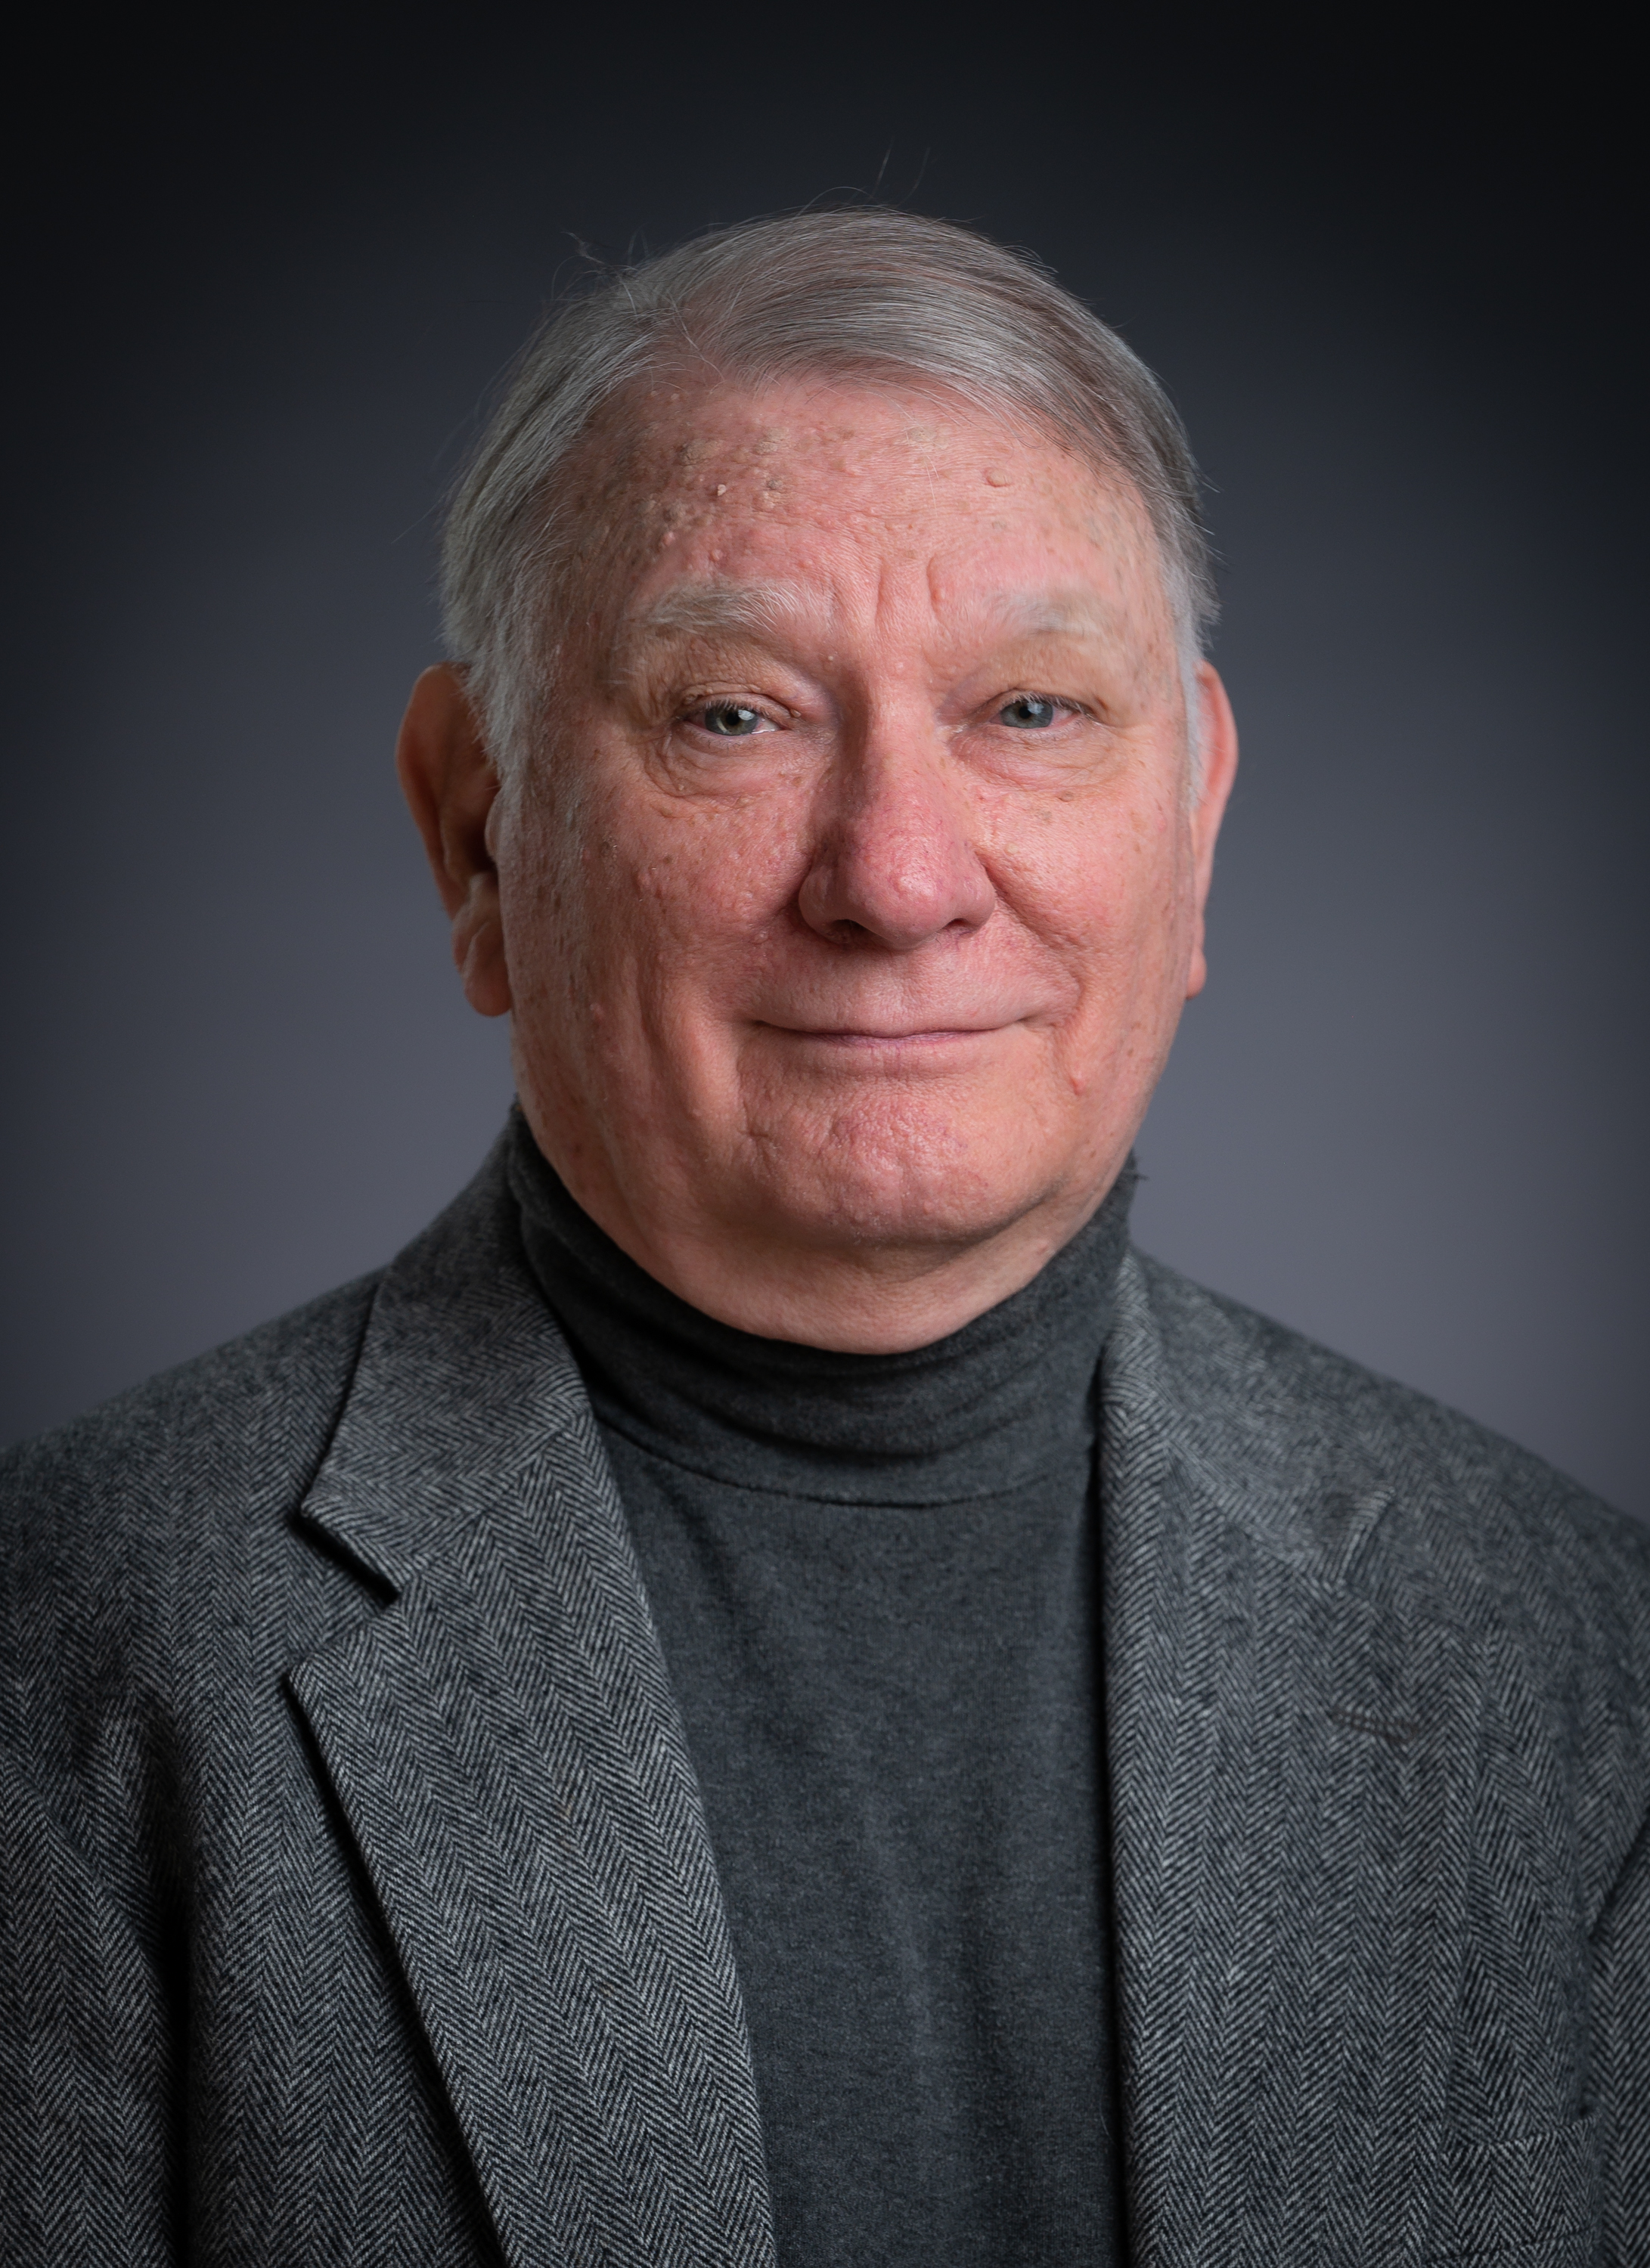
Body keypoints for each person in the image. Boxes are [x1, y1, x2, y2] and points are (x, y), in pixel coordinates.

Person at [2, 208, 1645, 2268]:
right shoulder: (70, 1659)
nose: (895, 878)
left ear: (1197, 821)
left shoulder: (1583, 1674)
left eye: (1030, 710)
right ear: (477, 829)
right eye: (734, 714)